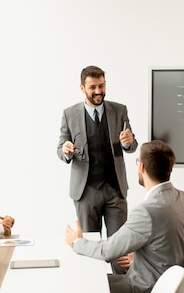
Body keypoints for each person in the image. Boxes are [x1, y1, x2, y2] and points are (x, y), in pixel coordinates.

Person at [65, 140, 184, 293]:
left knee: (86, 288)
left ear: (142, 167)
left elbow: (107, 251)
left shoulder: (147, 212)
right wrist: (140, 258)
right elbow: (172, 245)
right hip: (173, 290)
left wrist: (76, 242)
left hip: (145, 292)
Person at [57, 65, 137, 272]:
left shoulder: (120, 110)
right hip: (86, 192)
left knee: (119, 246)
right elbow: (61, 148)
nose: (98, 91)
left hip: (115, 190)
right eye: (93, 87)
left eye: (101, 85)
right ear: (82, 88)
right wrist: (66, 151)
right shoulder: (69, 114)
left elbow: (131, 144)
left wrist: (128, 142)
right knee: (88, 247)